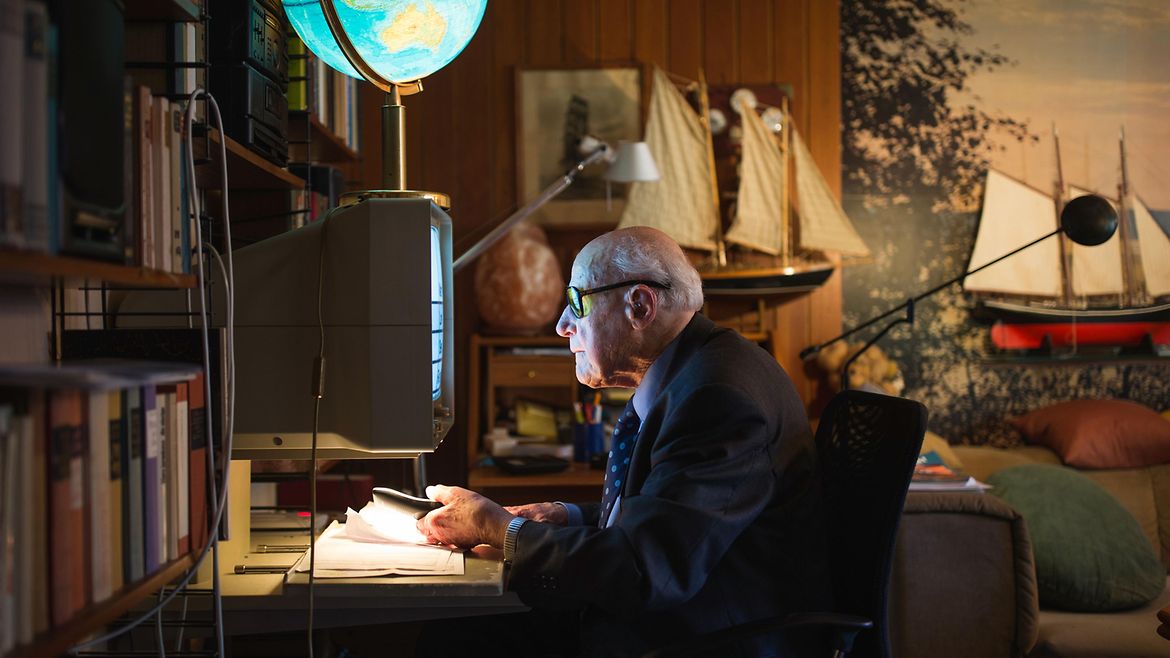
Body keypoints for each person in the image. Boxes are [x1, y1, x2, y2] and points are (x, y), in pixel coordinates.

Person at [417, 227, 829, 657]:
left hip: (700, 638)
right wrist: (567, 515)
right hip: (680, 616)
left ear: (639, 305)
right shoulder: (696, 371)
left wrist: (496, 528)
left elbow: (643, 569)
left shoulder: (718, 399)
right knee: (464, 627)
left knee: (458, 636)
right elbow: (669, 512)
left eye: (577, 302)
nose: (562, 326)